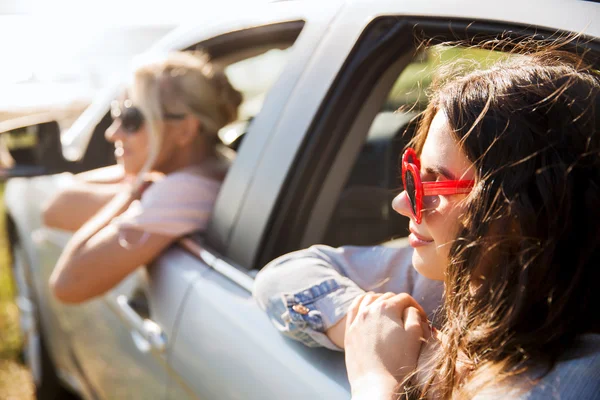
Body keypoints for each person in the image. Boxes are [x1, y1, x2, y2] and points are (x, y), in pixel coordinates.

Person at [254, 45, 600, 399]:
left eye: (431, 185)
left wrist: (378, 379)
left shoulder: (564, 384)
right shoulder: (468, 278)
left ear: (525, 208)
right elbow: (282, 276)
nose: (402, 202)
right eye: (412, 177)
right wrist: (372, 328)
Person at [45, 51, 242, 304]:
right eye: (117, 113)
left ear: (184, 130)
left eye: (131, 119)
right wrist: (142, 176)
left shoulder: (183, 190)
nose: (112, 133)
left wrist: (134, 192)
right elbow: (55, 206)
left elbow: (66, 284)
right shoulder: (214, 167)